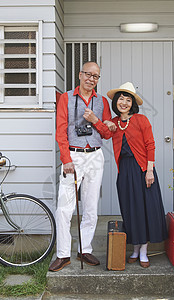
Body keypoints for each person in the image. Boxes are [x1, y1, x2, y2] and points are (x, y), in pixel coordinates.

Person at [49, 61, 113, 272]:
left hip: (95, 156)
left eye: (96, 76)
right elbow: (61, 132)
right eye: (88, 74)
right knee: (64, 208)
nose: (91, 79)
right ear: (80, 74)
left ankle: (84, 249)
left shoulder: (102, 101)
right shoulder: (66, 98)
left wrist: (96, 120)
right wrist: (65, 159)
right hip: (73, 157)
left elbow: (107, 133)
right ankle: (63, 254)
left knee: (91, 206)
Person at [103, 82, 168, 268]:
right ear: (116, 101)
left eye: (128, 100)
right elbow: (104, 133)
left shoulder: (141, 120)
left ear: (133, 103)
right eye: (121, 99)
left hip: (142, 169)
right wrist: (105, 122)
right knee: (130, 210)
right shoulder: (115, 123)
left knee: (145, 209)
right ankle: (135, 248)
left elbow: (150, 145)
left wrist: (149, 171)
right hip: (124, 170)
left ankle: (144, 250)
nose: (124, 103)